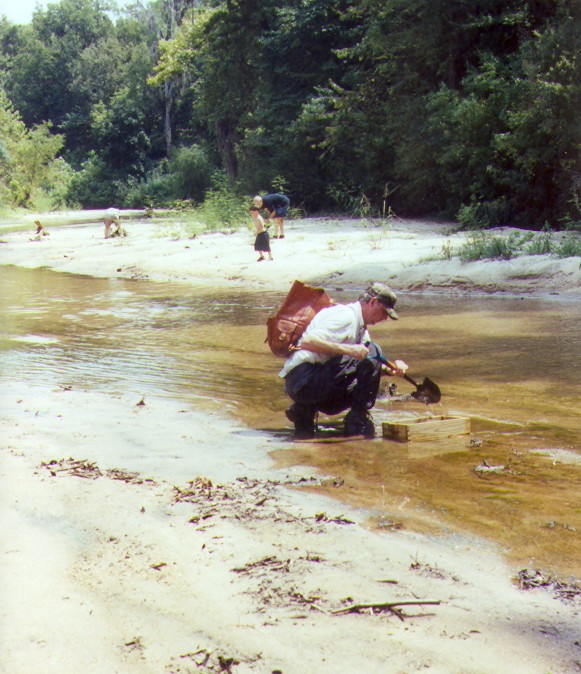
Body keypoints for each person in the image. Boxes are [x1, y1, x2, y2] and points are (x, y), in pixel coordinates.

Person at [278, 282, 408, 439]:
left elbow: (366, 368)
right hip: (303, 380)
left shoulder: (360, 327)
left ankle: (303, 411)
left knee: (370, 354)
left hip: (305, 384)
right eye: (384, 312)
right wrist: (349, 350)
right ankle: (357, 420)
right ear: (373, 302)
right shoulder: (345, 316)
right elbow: (308, 342)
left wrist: (390, 371)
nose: (384, 318)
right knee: (374, 349)